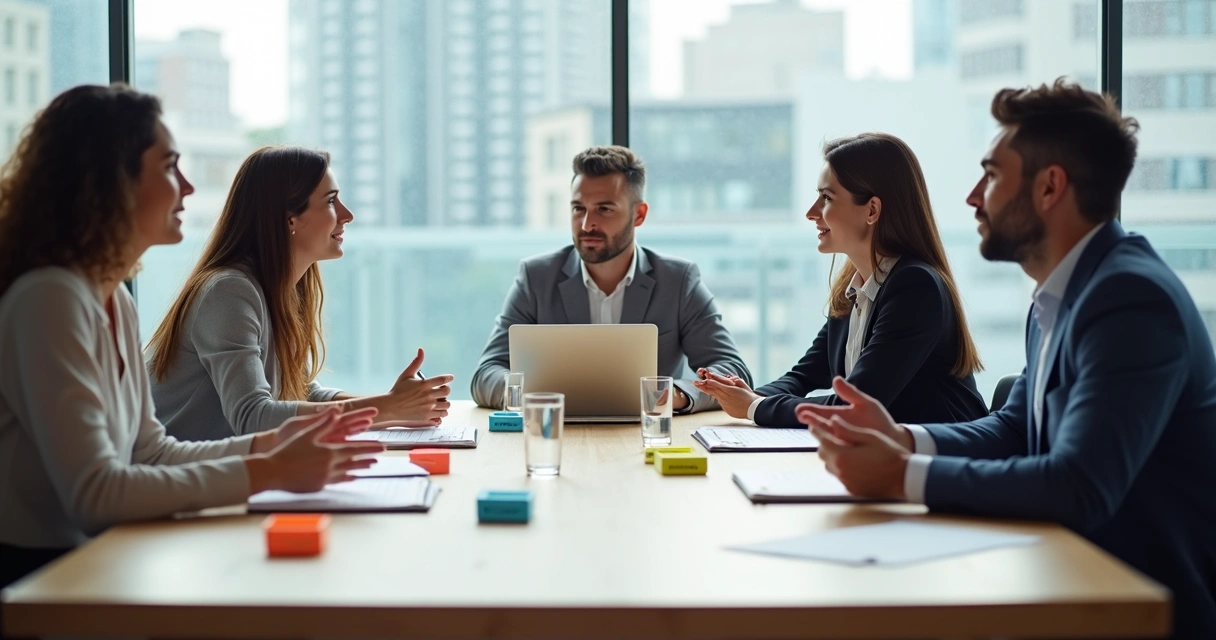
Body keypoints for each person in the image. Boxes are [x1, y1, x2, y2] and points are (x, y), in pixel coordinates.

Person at [800, 80, 1216, 639]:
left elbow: (1079, 486)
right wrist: (904, 440)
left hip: (1131, 603)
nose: (974, 196)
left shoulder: (1129, 300)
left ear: (1050, 187)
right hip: (1060, 576)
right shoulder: (1059, 295)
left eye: (992, 175)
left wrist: (902, 474)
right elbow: (1014, 427)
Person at [0, 84, 384, 590]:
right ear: (107, 182)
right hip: (43, 577)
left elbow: (153, 452)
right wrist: (268, 470)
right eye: (168, 167)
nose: (188, 187)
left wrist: (275, 447)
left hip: (101, 558)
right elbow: (94, 496)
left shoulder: (113, 299)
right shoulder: (50, 298)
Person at [146, 147, 453, 441]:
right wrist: (386, 409)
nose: (347, 215)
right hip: (174, 484)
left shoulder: (281, 289)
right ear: (289, 219)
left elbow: (302, 393)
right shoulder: (228, 292)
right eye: (331, 201)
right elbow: (252, 418)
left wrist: (395, 405)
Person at [694, 133, 988, 427]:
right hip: (886, 457)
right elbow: (804, 375)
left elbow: (854, 406)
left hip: (941, 461)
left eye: (826, 198)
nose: (811, 213)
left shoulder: (915, 288)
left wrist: (755, 407)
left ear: (871, 210)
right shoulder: (857, 287)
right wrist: (745, 395)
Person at [470, 145, 751, 413]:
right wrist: (529, 394)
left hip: (645, 435)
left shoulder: (678, 280)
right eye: (578, 208)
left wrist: (677, 395)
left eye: (604, 209)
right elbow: (487, 373)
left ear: (638, 214)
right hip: (556, 431)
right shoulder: (536, 277)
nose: (586, 224)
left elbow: (731, 369)